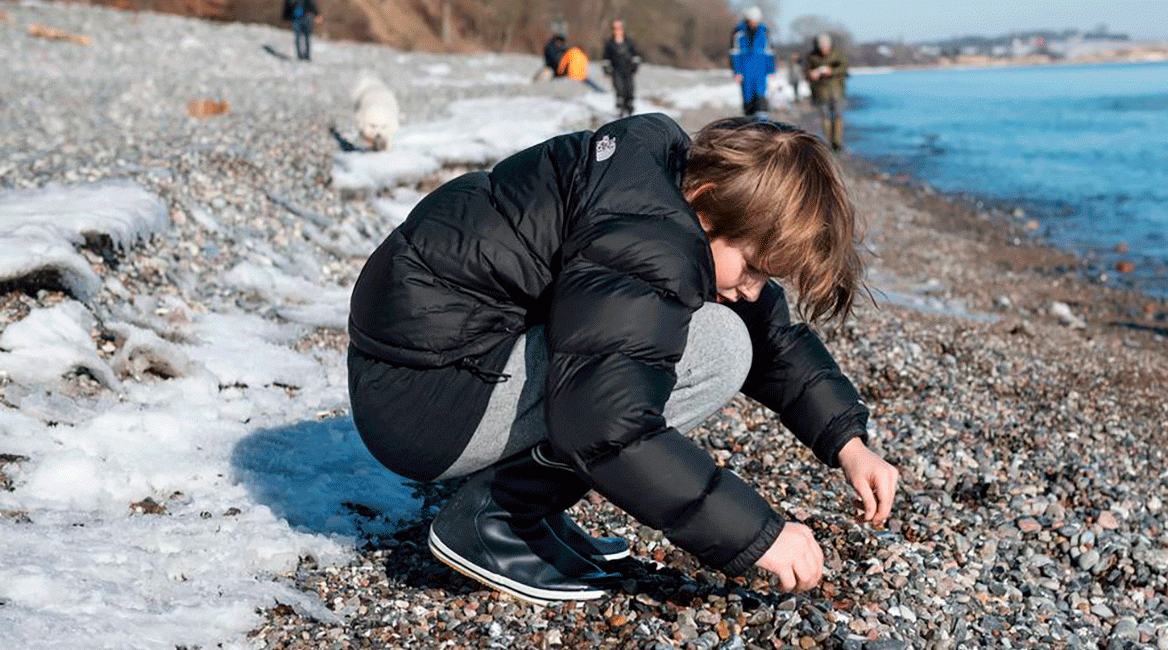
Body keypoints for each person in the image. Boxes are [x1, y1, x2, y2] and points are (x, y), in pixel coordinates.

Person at [347, 114, 900, 603]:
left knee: (727, 329)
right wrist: (759, 534)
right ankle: (497, 517)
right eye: (754, 268)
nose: (755, 289)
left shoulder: (658, 187)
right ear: (707, 204)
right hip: (423, 406)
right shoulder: (648, 235)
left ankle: (525, 507)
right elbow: (604, 421)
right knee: (718, 348)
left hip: (426, 375)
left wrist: (848, 445)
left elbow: (773, 331)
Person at [805, 33, 849, 151]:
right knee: (825, 116)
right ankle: (828, 142)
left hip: (837, 90)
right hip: (820, 91)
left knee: (838, 115)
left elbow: (844, 68)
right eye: (822, 48)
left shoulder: (838, 55)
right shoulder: (811, 57)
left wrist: (831, 71)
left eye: (826, 47)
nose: (825, 50)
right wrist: (811, 74)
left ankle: (837, 142)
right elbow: (806, 71)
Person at [729, 6, 775, 116]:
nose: (755, 23)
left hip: (761, 72)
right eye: (752, 21)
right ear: (747, 20)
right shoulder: (738, 32)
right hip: (745, 71)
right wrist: (737, 72)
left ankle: (762, 122)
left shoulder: (765, 32)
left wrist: (771, 70)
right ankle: (749, 122)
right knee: (748, 100)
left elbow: (769, 53)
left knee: (761, 98)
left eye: (756, 21)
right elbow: (734, 54)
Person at [601, 19, 643, 118]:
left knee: (629, 88)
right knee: (619, 89)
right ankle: (619, 108)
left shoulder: (629, 42)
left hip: (628, 69)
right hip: (616, 69)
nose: (617, 30)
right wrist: (606, 68)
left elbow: (636, 54)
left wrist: (635, 65)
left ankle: (629, 108)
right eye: (615, 28)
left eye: (619, 28)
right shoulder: (609, 43)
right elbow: (606, 57)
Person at [536, 34, 606, 92]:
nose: (560, 44)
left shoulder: (568, 52)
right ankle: (600, 91)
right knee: (588, 83)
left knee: (549, 79)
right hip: (580, 76)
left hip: (569, 74)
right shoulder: (582, 54)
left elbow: (562, 65)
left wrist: (560, 72)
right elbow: (586, 66)